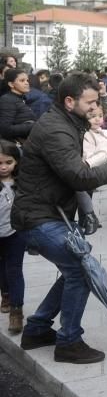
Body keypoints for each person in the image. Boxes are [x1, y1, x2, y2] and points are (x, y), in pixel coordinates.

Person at [12, 73, 107, 364]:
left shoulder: (67, 122)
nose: (96, 107)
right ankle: (68, 341)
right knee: (82, 270)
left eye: (97, 101)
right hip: (38, 217)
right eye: (91, 102)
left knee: (75, 269)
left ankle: (36, 329)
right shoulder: (56, 130)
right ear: (69, 101)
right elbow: (80, 176)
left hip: (48, 213)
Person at [0, 141, 24, 334]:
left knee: (14, 269)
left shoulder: (21, 183)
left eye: (8, 162)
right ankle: (5, 294)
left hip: (16, 233)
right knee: (2, 268)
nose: (3, 167)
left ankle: (16, 311)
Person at [0, 68, 36, 143]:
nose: (27, 83)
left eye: (27, 80)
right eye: (22, 80)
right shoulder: (7, 100)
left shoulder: (22, 99)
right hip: (17, 145)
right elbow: (5, 130)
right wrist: (33, 126)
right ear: (11, 84)